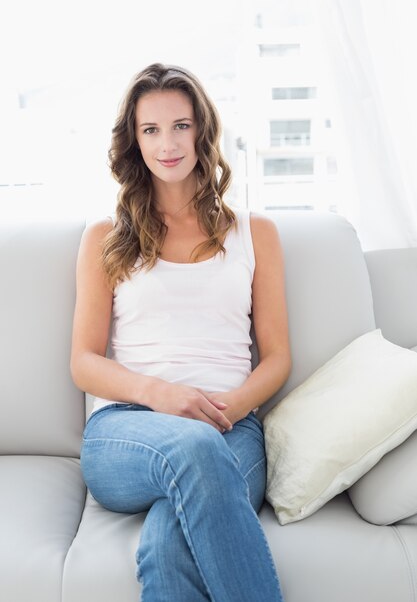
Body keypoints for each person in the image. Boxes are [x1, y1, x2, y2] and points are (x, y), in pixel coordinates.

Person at [70, 62, 291, 602]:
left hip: (230, 430)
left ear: (203, 131)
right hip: (127, 431)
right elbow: (83, 361)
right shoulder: (105, 237)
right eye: (151, 129)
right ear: (134, 141)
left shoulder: (254, 234)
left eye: (181, 126)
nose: (167, 143)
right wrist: (161, 395)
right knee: (190, 446)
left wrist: (229, 408)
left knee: (167, 545)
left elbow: (278, 356)